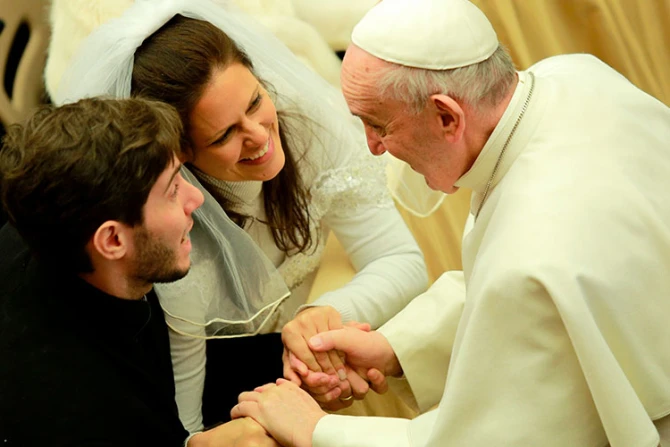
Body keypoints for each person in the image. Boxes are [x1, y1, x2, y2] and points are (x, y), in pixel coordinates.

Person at [231, 0, 670, 446]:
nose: (374, 147)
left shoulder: (530, 255)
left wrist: (316, 429)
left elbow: (483, 439)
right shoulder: (576, 77)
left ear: (447, 116)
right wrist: (396, 348)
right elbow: (537, 297)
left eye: (378, 125)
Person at [51, 0, 428, 433]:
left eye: (254, 102)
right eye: (225, 134)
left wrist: (322, 318)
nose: (259, 135)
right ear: (183, 154)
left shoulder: (308, 128)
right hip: (224, 377)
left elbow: (401, 260)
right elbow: (186, 415)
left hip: (305, 350)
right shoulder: (175, 230)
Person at [0, 97, 282, 446]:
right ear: (113, 240)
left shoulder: (51, 221)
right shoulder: (80, 408)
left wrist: (292, 359)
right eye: (173, 190)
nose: (196, 199)